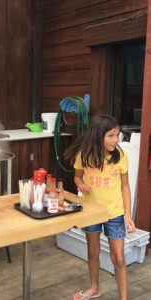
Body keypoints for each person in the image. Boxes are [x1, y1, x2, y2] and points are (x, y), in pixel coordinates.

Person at [64, 114, 136, 300]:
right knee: (93, 251)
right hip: (92, 212)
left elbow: (125, 186)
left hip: (115, 213)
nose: (116, 139)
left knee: (119, 258)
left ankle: (123, 298)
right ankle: (94, 288)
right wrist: (80, 184)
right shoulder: (84, 155)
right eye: (111, 135)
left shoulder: (120, 156)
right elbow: (77, 176)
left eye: (118, 135)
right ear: (98, 135)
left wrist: (128, 214)